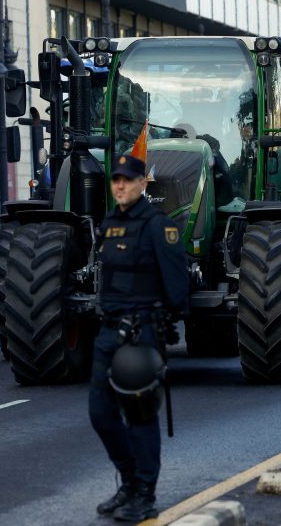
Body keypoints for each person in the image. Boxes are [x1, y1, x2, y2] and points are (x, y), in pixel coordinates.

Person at [90, 145, 188, 523]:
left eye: (127, 180)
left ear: (141, 183)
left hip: (140, 332)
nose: (120, 186)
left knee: (140, 416)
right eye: (115, 180)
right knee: (100, 413)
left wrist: (158, 325)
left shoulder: (158, 226)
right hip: (108, 331)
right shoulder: (110, 223)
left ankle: (144, 493)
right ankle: (129, 482)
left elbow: (177, 287)